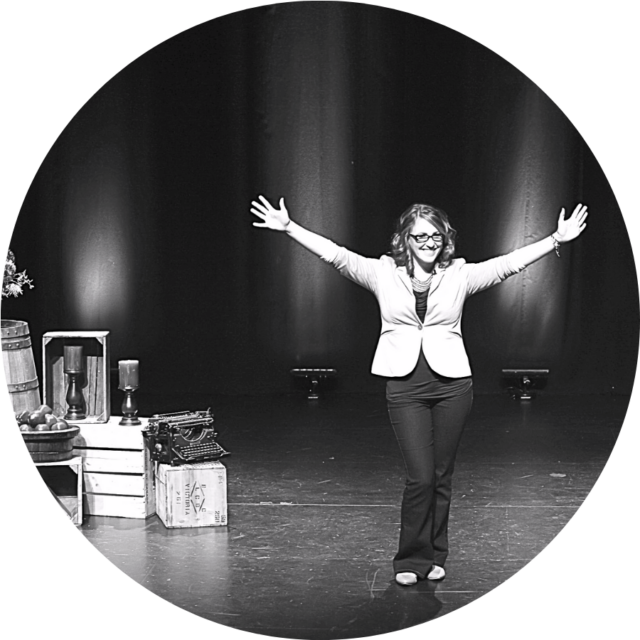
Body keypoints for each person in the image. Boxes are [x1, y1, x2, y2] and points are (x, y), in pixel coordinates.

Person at [250, 195, 588, 586]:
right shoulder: (381, 273)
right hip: (405, 385)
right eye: (419, 236)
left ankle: (435, 555)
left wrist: (555, 240)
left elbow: (507, 265)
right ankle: (410, 559)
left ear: (446, 240)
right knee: (421, 477)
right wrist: (290, 228)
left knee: (442, 475)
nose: (428, 242)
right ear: (405, 240)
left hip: (453, 386)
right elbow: (336, 256)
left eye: (435, 236)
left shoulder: (459, 274)